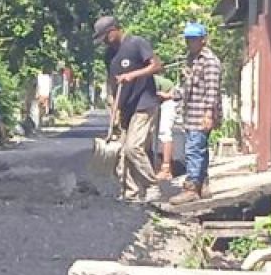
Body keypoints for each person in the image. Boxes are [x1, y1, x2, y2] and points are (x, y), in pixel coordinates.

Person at [93, 15, 164, 203]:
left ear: (115, 30)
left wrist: (133, 75)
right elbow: (111, 82)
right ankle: (131, 193)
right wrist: (113, 109)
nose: (105, 42)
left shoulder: (136, 43)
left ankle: (152, 185)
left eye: (106, 37)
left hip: (145, 103)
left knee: (133, 147)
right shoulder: (109, 55)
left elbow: (157, 65)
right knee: (122, 154)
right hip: (126, 107)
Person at [170, 23, 223, 204]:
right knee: (200, 149)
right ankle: (203, 184)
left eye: (193, 39)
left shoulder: (210, 61)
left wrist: (208, 114)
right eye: (187, 39)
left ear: (203, 40)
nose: (189, 43)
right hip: (191, 112)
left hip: (201, 113)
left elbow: (212, 90)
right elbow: (187, 87)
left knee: (193, 150)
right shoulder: (192, 60)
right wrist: (171, 95)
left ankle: (192, 187)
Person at [154, 75, 178, 180]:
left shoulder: (150, 79)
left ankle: (166, 169)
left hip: (168, 102)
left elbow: (172, 92)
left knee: (164, 132)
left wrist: (167, 95)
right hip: (159, 103)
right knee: (156, 135)